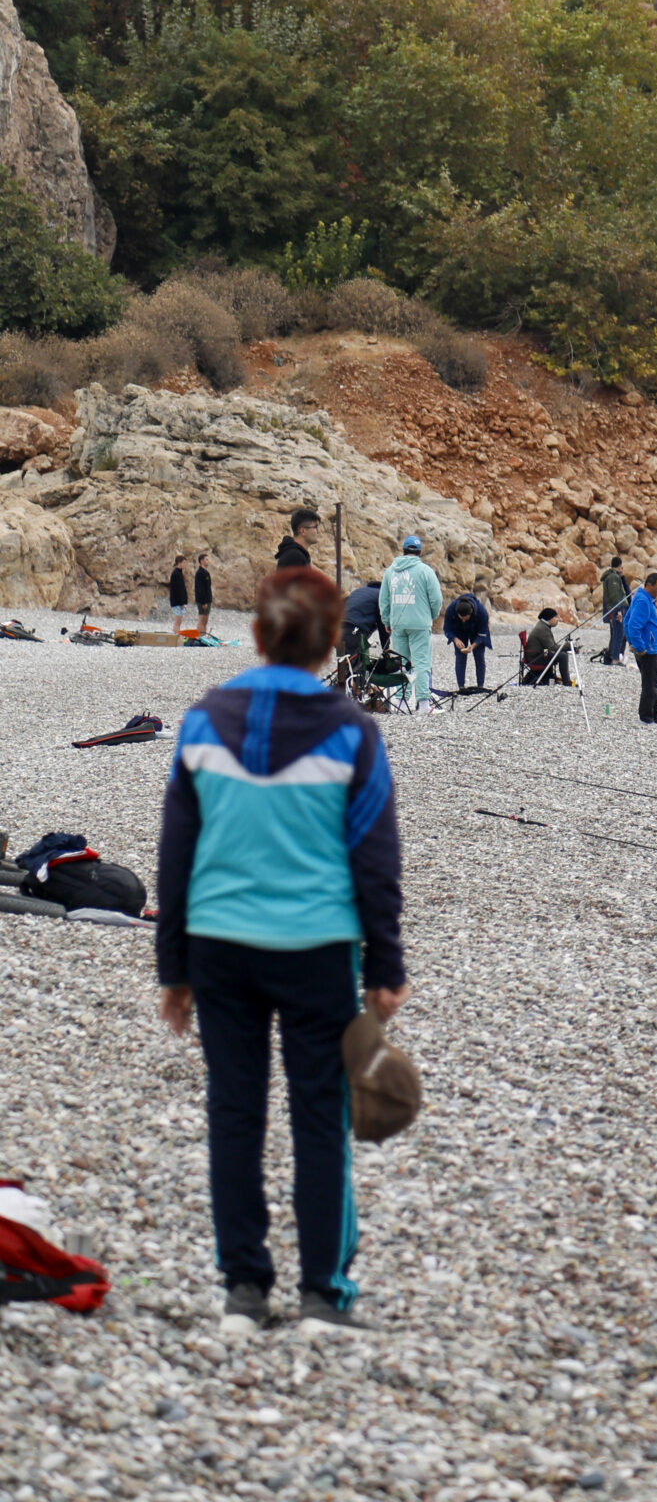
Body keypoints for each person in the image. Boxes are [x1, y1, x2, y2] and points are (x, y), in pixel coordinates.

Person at [154, 566, 407, 1339]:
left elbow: (177, 854)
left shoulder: (204, 721)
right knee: (319, 1115)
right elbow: (374, 860)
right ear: (332, 641)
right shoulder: (353, 732)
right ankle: (322, 1296)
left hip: (220, 945)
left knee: (234, 1110)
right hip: (316, 948)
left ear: (258, 634)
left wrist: (174, 968)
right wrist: (385, 967)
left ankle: (243, 1289)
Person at [379, 535, 443, 713]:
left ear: (403, 550)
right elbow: (436, 599)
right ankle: (423, 704)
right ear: (420, 552)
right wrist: (431, 615)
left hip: (398, 623)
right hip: (420, 623)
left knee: (401, 663)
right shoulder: (426, 571)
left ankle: (401, 703)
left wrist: (386, 620)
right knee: (421, 663)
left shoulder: (390, 571)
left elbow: (383, 600)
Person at [625, 571, 657, 725]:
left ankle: (655, 715)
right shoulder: (643, 600)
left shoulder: (642, 597)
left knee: (651, 682)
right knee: (651, 684)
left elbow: (627, 620)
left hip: (647, 647)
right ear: (648, 585)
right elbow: (633, 625)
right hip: (648, 649)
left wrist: (632, 642)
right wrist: (638, 646)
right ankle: (646, 716)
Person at [443, 592, 492, 692]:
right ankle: (461, 686)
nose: (463, 621)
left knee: (479, 656)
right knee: (460, 656)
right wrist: (455, 639)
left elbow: (483, 633)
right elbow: (447, 629)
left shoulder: (481, 612)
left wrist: (472, 646)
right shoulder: (451, 609)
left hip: (476, 630)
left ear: (471, 613)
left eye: (465, 619)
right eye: (461, 618)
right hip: (459, 631)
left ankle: (480, 686)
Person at [523, 609, 571, 687]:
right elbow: (553, 648)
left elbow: (550, 647)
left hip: (539, 654)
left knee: (561, 653)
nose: (558, 619)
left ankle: (563, 680)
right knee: (563, 656)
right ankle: (566, 682)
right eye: (556, 617)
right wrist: (569, 645)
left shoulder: (542, 626)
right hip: (536, 658)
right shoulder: (542, 629)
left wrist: (565, 647)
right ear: (549, 618)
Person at [600, 557, 629, 664]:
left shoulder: (615, 576)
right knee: (618, 634)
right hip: (617, 609)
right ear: (620, 565)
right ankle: (615, 658)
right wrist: (619, 611)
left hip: (617, 609)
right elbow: (615, 596)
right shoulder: (613, 577)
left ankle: (615, 656)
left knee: (620, 634)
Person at [195, 553, 214, 631]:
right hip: (203, 601)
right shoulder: (200, 573)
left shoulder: (205, 572)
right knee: (202, 619)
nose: (208, 561)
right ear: (201, 561)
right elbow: (200, 588)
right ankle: (199, 635)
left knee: (205, 621)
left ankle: (203, 635)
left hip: (207, 599)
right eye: (206, 559)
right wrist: (203, 602)